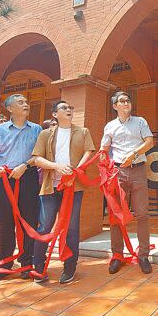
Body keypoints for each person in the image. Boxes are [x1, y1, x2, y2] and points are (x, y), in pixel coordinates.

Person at [32, 100, 96, 284]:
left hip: (73, 188)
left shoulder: (82, 132)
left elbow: (88, 151)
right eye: (64, 108)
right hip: (50, 187)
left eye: (70, 108)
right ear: (54, 114)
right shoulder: (45, 134)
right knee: (44, 227)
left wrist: (77, 168)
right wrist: (56, 167)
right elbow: (36, 159)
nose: (69, 110)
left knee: (72, 229)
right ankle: (39, 267)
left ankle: (69, 267)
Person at [0, 94, 41, 284]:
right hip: (5, 181)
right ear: (10, 109)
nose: (26, 104)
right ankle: (3, 265)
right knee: (5, 222)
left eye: (26, 102)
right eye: (21, 103)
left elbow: (39, 155)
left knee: (29, 221)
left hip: (28, 177)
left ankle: (27, 264)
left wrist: (25, 165)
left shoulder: (36, 129)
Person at [101, 91, 154, 275]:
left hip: (138, 169)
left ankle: (144, 255)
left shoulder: (140, 122)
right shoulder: (110, 126)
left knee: (142, 213)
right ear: (115, 106)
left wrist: (134, 154)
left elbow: (149, 142)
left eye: (128, 100)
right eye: (121, 101)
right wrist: (107, 170)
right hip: (118, 172)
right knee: (116, 215)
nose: (126, 103)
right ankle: (117, 255)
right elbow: (104, 149)